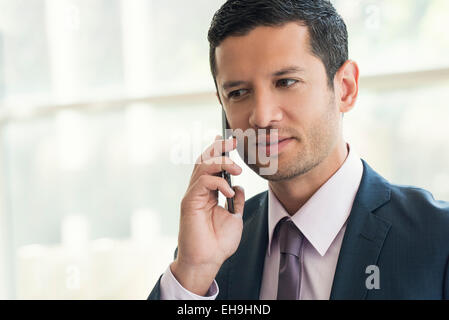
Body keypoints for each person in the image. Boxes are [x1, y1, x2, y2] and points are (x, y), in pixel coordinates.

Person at [148, 0, 449, 300]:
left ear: (345, 88)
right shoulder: (210, 252)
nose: (262, 116)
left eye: (286, 82)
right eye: (238, 93)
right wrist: (193, 274)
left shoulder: (439, 239)